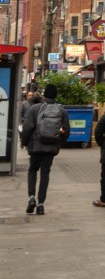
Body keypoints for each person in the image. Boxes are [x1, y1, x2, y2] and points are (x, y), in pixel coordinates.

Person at [20, 84, 70, 215]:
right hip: (51, 148)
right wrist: (59, 144)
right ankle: (41, 204)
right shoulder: (61, 110)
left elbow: (27, 128)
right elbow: (66, 131)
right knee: (45, 174)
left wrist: (24, 142)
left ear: (44, 95)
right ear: (55, 95)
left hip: (35, 147)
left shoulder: (35, 108)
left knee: (32, 170)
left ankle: (31, 198)